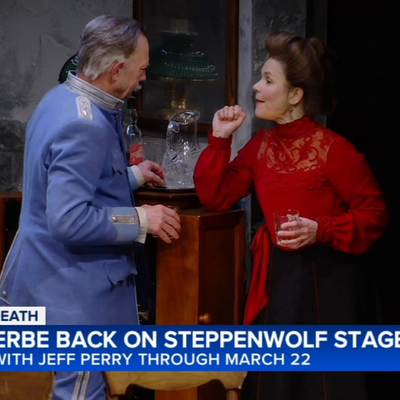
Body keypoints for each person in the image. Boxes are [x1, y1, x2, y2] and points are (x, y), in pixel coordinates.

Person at [194, 31, 389, 400]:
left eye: (268, 80)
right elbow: (216, 196)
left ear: (296, 95)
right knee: (277, 383)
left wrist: (322, 229)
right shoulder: (261, 145)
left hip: (329, 283)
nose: (256, 87)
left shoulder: (335, 150)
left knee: (325, 386)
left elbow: (375, 215)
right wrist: (220, 139)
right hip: (278, 280)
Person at [0, 15, 181, 400]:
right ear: (116, 70)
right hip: (69, 296)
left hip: (32, 281)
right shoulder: (85, 124)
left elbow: (57, 183)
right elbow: (68, 219)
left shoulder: (60, 98)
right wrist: (142, 218)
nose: (144, 78)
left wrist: (130, 177)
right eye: (142, 69)